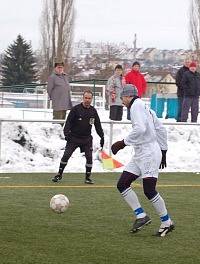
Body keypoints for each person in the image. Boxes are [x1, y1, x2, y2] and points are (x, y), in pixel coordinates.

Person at [111, 84, 174, 237]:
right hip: (142, 153)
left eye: (122, 98)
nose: (122, 101)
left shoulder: (136, 107)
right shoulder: (145, 108)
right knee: (122, 184)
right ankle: (141, 216)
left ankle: (167, 222)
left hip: (148, 153)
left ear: (128, 96)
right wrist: (163, 150)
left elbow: (140, 129)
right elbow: (160, 128)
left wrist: (122, 143)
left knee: (149, 189)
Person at [52, 90, 104, 184]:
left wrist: (102, 136)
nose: (87, 100)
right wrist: (66, 134)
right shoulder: (75, 109)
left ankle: (87, 178)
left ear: (92, 99)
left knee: (89, 158)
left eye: (89, 98)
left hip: (87, 139)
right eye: (86, 98)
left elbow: (97, 125)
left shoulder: (93, 111)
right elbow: (68, 122)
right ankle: (59, 175)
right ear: (83, 98)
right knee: (66, 155)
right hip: (74, 138)